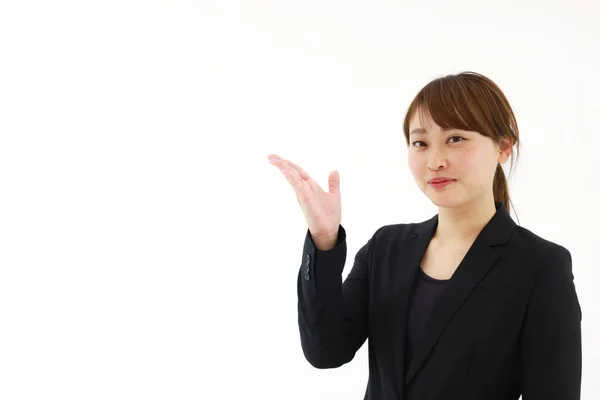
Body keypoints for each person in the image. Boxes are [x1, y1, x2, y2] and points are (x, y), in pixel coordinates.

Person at [267, 71, 582, 400]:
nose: (435, 161)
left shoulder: (539, 266)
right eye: (420, 143)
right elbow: (326, 351)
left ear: (503, 148)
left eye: (456, 139)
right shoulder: (386, 249)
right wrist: (324, 239)